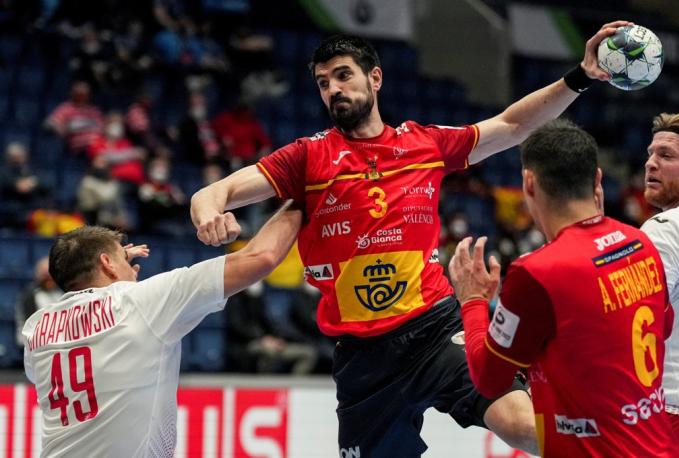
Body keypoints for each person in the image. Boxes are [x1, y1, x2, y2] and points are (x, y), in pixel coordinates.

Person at [190, 24, 629, 456]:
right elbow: (216, 191)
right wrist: (210, 213)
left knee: (524, 427)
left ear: (375, 77)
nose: (333, 90)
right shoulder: (308, 156)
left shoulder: (424, 144)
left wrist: (580, 77)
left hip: (435, 330)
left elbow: (512, 125)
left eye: (343, 75)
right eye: (323, 83)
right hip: (364, 359)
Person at [448, 120, 679, 457]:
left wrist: (471, 301)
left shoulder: (537, 271)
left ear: (529, 183)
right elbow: (664, 326)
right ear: (598, 179)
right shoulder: (640, 241)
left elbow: (488, 378)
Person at [22, 203, 301, 457]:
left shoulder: (36, 328)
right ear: (107, 263)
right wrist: (301, 196)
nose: (136, 266)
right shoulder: (140, 302)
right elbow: (261, 257)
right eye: (125, 258)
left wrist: (112, 261)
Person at [640, 111, 679, 456]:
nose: (650, 164)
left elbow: (635, 319)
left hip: (670, 414)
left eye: (666, 155)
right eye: (650, 153)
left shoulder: (668, 227)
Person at [15, 257, 62, 346]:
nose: (48, 280)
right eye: (45, 276)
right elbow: (30, 325)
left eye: (50, 275)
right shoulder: (30, 295)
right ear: (38, 276)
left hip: (55, 341)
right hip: (31, 342)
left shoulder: (61, 292)